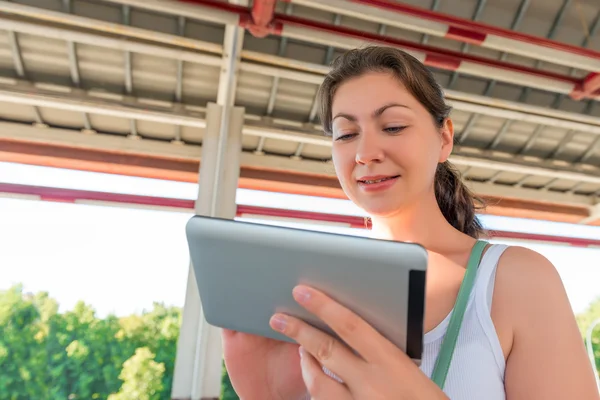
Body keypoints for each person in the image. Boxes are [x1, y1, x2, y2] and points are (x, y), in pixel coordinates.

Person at [221, 46, 600, 399]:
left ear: (444, 138)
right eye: (347, 134)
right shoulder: (318, 294)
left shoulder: (514, 279)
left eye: (393, 126)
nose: (366, 153)